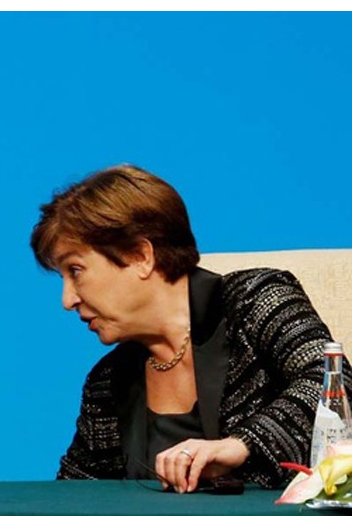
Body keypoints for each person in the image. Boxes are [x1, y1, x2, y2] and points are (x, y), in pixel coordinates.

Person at [30, 165, 350, 493]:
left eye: (76, 270)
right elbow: (72, 501)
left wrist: (239, 445)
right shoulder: (107, 383)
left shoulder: (256, 300)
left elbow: (334, 387)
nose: (67, 300)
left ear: (140, 256)